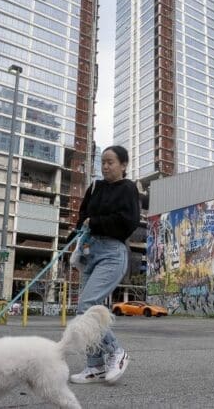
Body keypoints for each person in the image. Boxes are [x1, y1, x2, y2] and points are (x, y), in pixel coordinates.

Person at [70, 145, 141, 384]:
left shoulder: (128, 188)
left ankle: (116, 352)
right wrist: (74, 237)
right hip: (90, 251)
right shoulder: (95, 187)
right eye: (103, 162)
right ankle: (95, 366)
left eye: (111, 162)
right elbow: (82, 218)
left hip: (113, 252)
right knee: (88, 310)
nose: (106, 166)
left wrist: (95, 222)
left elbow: (128, 222)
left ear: (123, 165)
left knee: (87, 306)